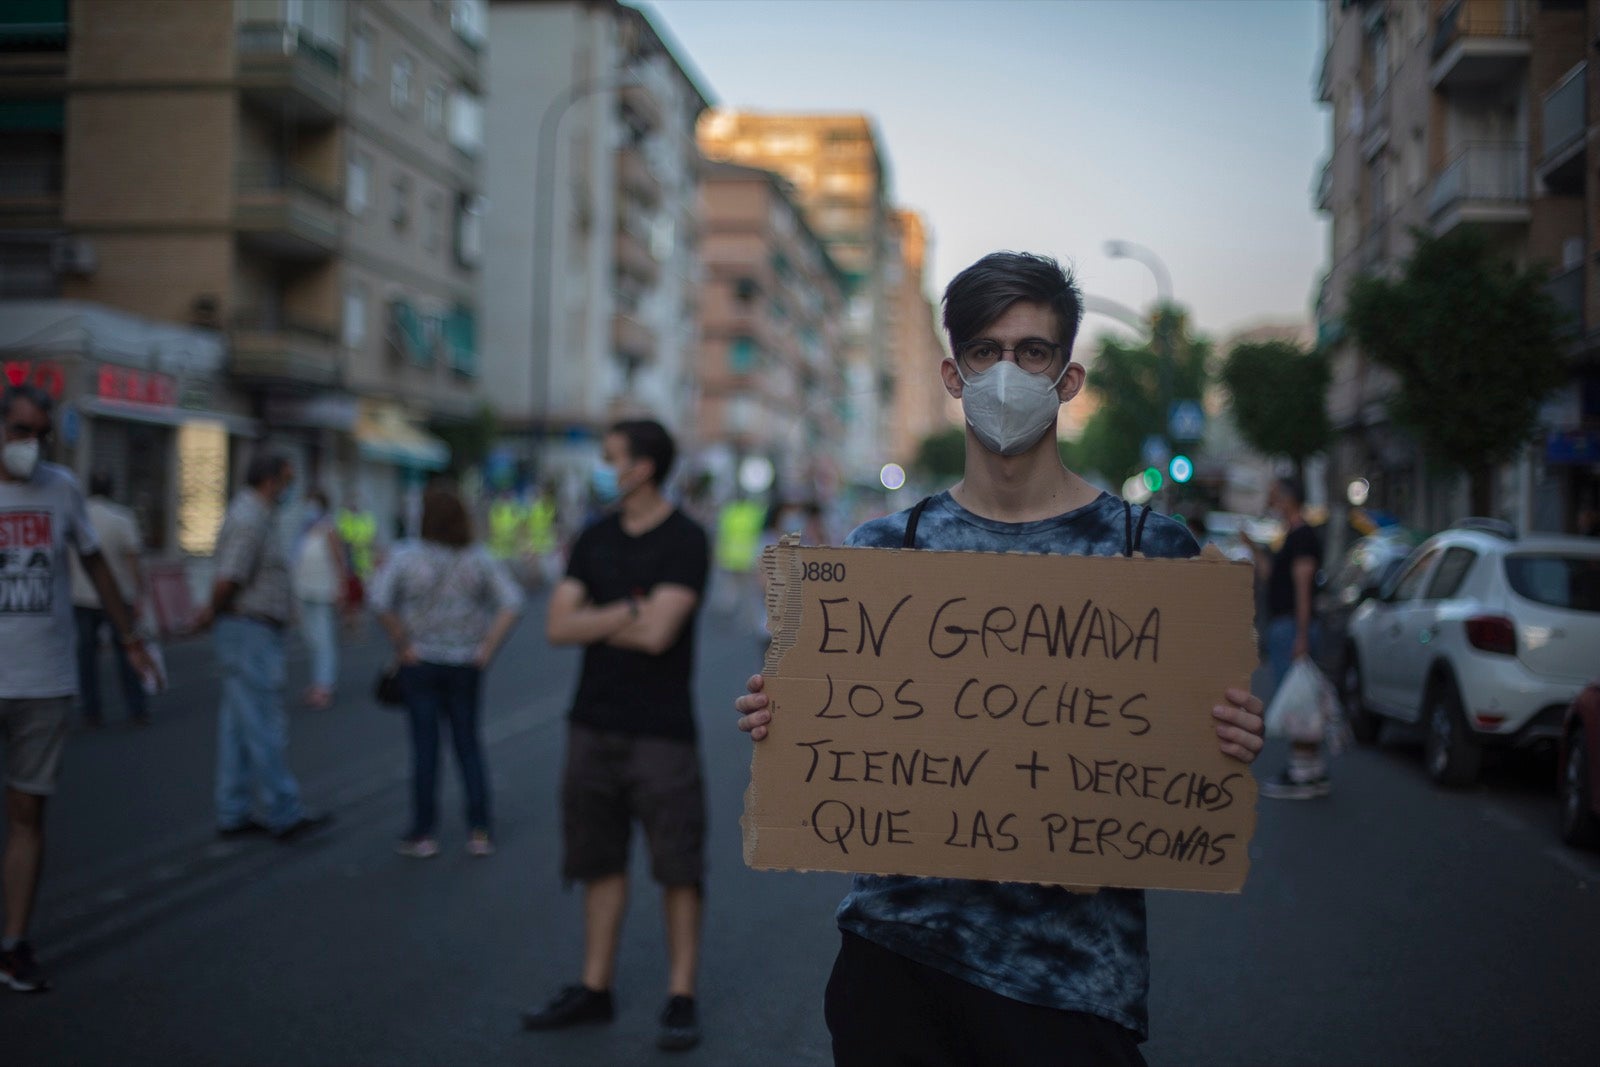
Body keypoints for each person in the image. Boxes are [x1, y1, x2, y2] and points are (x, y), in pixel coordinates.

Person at [732, 252, 1266, 1065]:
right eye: (985, 351)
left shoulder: (1152, 553)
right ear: (953, 373)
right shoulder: (882, 552)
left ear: (1069, 377)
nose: (1006, 372)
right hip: (895, 963)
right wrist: (785, 720)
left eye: (1033, 352)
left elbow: (1189, 743)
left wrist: (1226, 734)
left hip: (1072, 983)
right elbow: (831, 731)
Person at [522, 418, 711, 1053]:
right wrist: (630, 609)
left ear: (643, 468)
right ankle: (594, 987)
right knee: (597, 860)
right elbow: (555, 625)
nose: (602, 469)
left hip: (662, 733)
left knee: (678, 866)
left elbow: (660, 635)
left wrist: (598, 619)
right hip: (591, 726)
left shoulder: (687, 540)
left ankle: (680, 993)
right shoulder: (593, 536)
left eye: (610, 459)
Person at [0, 384, 156, 992]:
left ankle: (13, 944)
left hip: (43, 681)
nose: (30, 447)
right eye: (20, 432)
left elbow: (94, 562)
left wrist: (130, 635)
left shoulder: (61, 489)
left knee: (27, 814)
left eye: (41, 434)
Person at [369, 483, 523, 858]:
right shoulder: (478, 558)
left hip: (421, 661)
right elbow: (512, 603)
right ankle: (479, 828)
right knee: (467, 743)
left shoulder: (407, 558)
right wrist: (486, 649)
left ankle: (423, 832)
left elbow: (379, 600)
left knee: (425, 748)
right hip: (466, 662)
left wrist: (402, 643)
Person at [193, 452, 330, 843]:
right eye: (287, 481)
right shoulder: (250, 518)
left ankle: (233, 809)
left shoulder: (257, 516)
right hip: (249, 630)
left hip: (248, 629)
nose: (290, 490)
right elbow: (231, 575)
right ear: (270, 480)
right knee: (263, 721)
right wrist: (210, 612)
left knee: (238, 724)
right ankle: (283, 809)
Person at [1247, 475, 1327, 800]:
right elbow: (1270, 576)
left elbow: (1303, 587)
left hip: (1293, 627)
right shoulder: (1290, 536)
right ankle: (1310, 770)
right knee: (1298, 699)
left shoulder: (1303, 536)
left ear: (1290, 497)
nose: (1272, 500)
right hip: (1289, 627)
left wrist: (1302, 634)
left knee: (1299, 702)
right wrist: (1253, 547)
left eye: (1276, 494)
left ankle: (1302, 773)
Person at [68, 471, 150, 727]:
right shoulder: (122, 518)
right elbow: (134, 560)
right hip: (119, 598)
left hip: (81, 597)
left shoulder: (78, 516)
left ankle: (91, 711)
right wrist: (139, 594)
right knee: (128, 653)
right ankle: (137, 708)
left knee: (87, 658)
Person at [291, 489, 348, 710]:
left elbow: (338, 559)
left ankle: (324, 685)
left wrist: (341, 587)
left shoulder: (329, 528)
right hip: (305, 590)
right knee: (311, 638)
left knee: (323, 639)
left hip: (324, 591)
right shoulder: (305, 530)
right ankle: (318, 682)